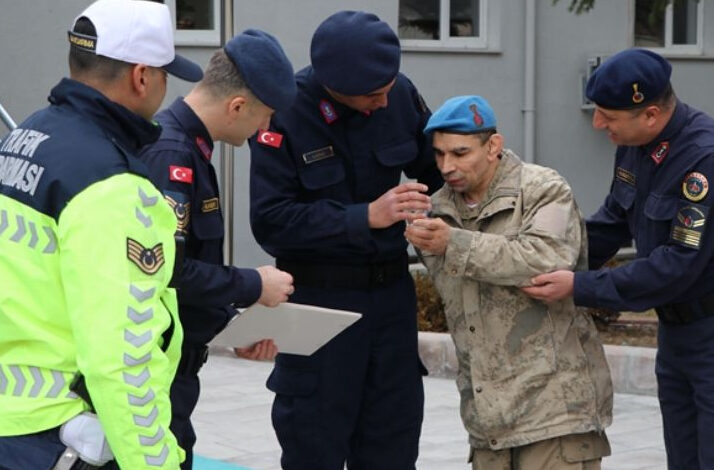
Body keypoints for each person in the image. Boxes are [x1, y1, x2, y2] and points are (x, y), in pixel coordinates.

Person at [0, 0, 203, 469]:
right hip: (62, 437)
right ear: (141, 77)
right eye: (165, 73)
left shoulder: (25, 138)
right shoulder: (112, 184)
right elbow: (122, 360)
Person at [248, 10, 443, 470]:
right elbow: (271, 221)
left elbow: (436, 169)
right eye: (371, 97)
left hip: (391, 301)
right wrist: (365, 217)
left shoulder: (398, 94)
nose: (382, 102)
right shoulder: (284, 110)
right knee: (314, 446)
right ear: (334, 86)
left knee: (393, 446)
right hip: (320, 302)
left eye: (387, 90)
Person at [522, 48, 714, 470]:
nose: (598, 125)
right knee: (684, 457)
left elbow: (677, 265)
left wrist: (579, 287)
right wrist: (546, 257)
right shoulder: (635, 145)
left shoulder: (707, 160)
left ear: (650, 114)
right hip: (676, 335)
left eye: (608, 117)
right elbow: (613, 221)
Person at [405, 95, 613, 470]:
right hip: (488, 418)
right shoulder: (438, 210)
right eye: (439, 155)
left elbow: (544, 259)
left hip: (555, 414)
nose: (447, 166)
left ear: (493, 146)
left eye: (460, 152)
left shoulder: (542, 189)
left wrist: (454, 242)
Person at [138, 29, 296, 469]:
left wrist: (230, 328)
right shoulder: (172, 156)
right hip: (159, 370)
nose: (265, 129)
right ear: (237, 106)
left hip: (179, 365)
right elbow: (164, 271)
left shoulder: (188, 150)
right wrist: (253, 285)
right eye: (264, 116)